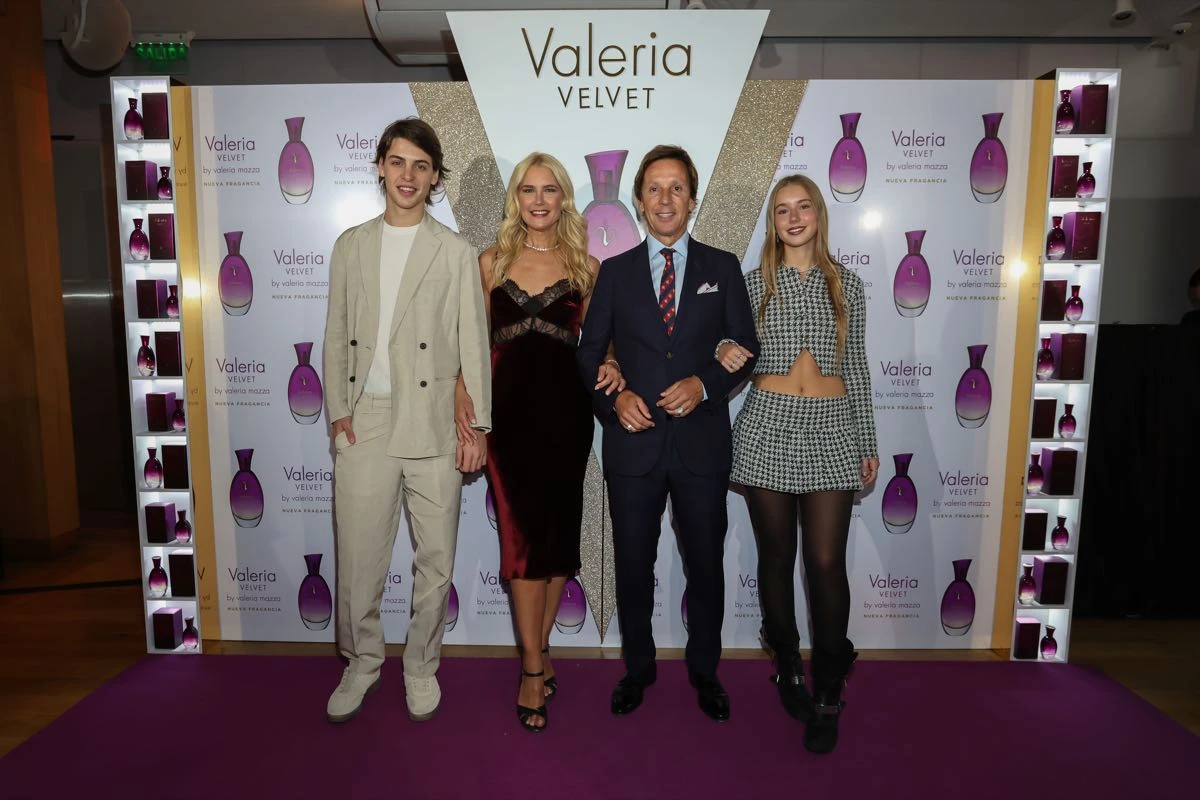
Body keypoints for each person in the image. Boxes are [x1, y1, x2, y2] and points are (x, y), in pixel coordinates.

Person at [577, 144, 759, 723]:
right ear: (638, 200)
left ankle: (706, 671)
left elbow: (746, 347)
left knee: (705, 564)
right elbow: (588, 354)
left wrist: (704, 385)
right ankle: (638, 670)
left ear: (692, 199)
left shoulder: (722, 268)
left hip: (702, 446)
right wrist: (616, 400)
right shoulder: (614, 271)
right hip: (633, 447)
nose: (665, 199)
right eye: (654, 188)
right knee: (633, 566)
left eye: (676, 188)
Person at [322, 118, 490, 725]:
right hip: (365, 419)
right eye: (398, 162)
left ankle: (420, 666)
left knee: (435, 560)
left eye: (421, 166)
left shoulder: (455, 251)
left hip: (434, 422)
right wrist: (339, 414)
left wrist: (479, 427)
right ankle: (362, 662)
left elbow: (473, 343)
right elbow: (336, 333)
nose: (408, 176)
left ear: (436, 177)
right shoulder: (351, 245)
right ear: (380, 167)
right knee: (359, 557)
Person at [454, 153, 623, 732]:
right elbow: (469, 344)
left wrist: (615, 365)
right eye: (529, 190)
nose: (539, 200)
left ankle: (540, 647)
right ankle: (532, 667)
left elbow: (602, 345)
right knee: (522, 546)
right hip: (507, 423)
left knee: (554, 547)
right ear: (516, 199)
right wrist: (463, 401)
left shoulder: (587, 268)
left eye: (550, 190)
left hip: (567, 421)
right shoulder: (490, 262)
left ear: (564, 199)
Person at [721, 174, 878, 754]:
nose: (793, 218)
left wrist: (866, 440)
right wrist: (720, 349)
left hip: (832, 427)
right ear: (773, 221)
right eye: (782, 209)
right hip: (767, 424)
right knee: (776, 556)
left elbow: (856, 364)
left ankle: (830, 684)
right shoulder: (752, 283)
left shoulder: (848, 284)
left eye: (802, 206)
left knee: (825, 562)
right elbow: (725, 348)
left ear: (818, 214)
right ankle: (787, 664)